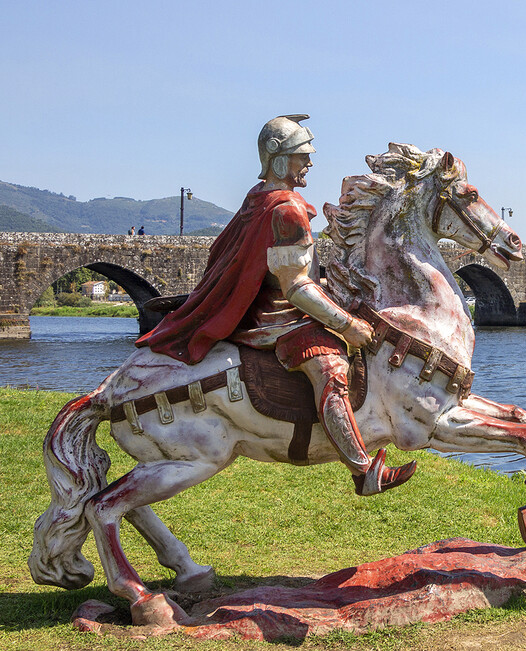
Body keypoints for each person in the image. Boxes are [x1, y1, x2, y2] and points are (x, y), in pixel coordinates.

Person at [136, 114, 415, 496]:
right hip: (279, 319)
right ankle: (363, 471)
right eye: (303, 156)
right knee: (330, 370)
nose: (310, 164)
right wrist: (347, 324)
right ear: (279, 158)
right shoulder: (286, 210)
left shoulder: (258, 199)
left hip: (270, 307)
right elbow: (297, 288)